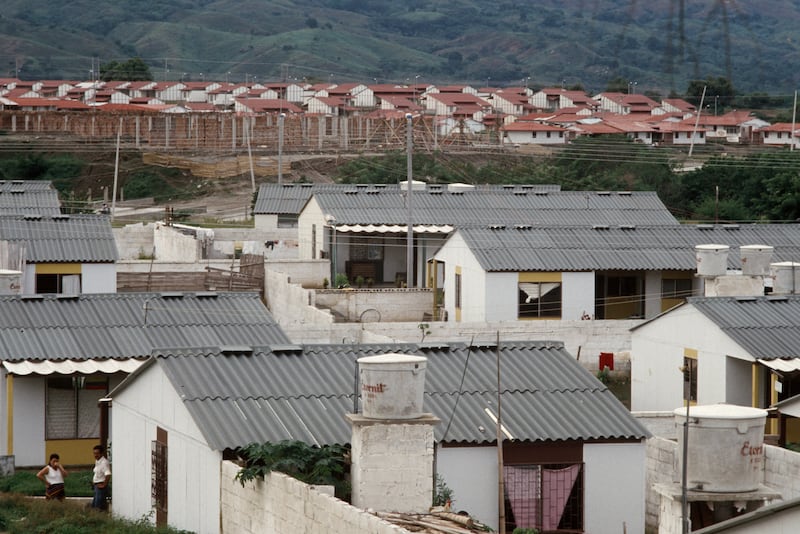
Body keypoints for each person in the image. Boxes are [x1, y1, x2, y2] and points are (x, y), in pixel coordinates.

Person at [91, 444, 111, 511]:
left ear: (101, 453)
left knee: (98, 506)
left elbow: (108, 474)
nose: (95, 455)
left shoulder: (104, 463)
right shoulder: (97, 461)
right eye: (94, 453)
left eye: (97, 453)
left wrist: (104, 484)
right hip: (96, 486)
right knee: (94, 505)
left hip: (101, 487)